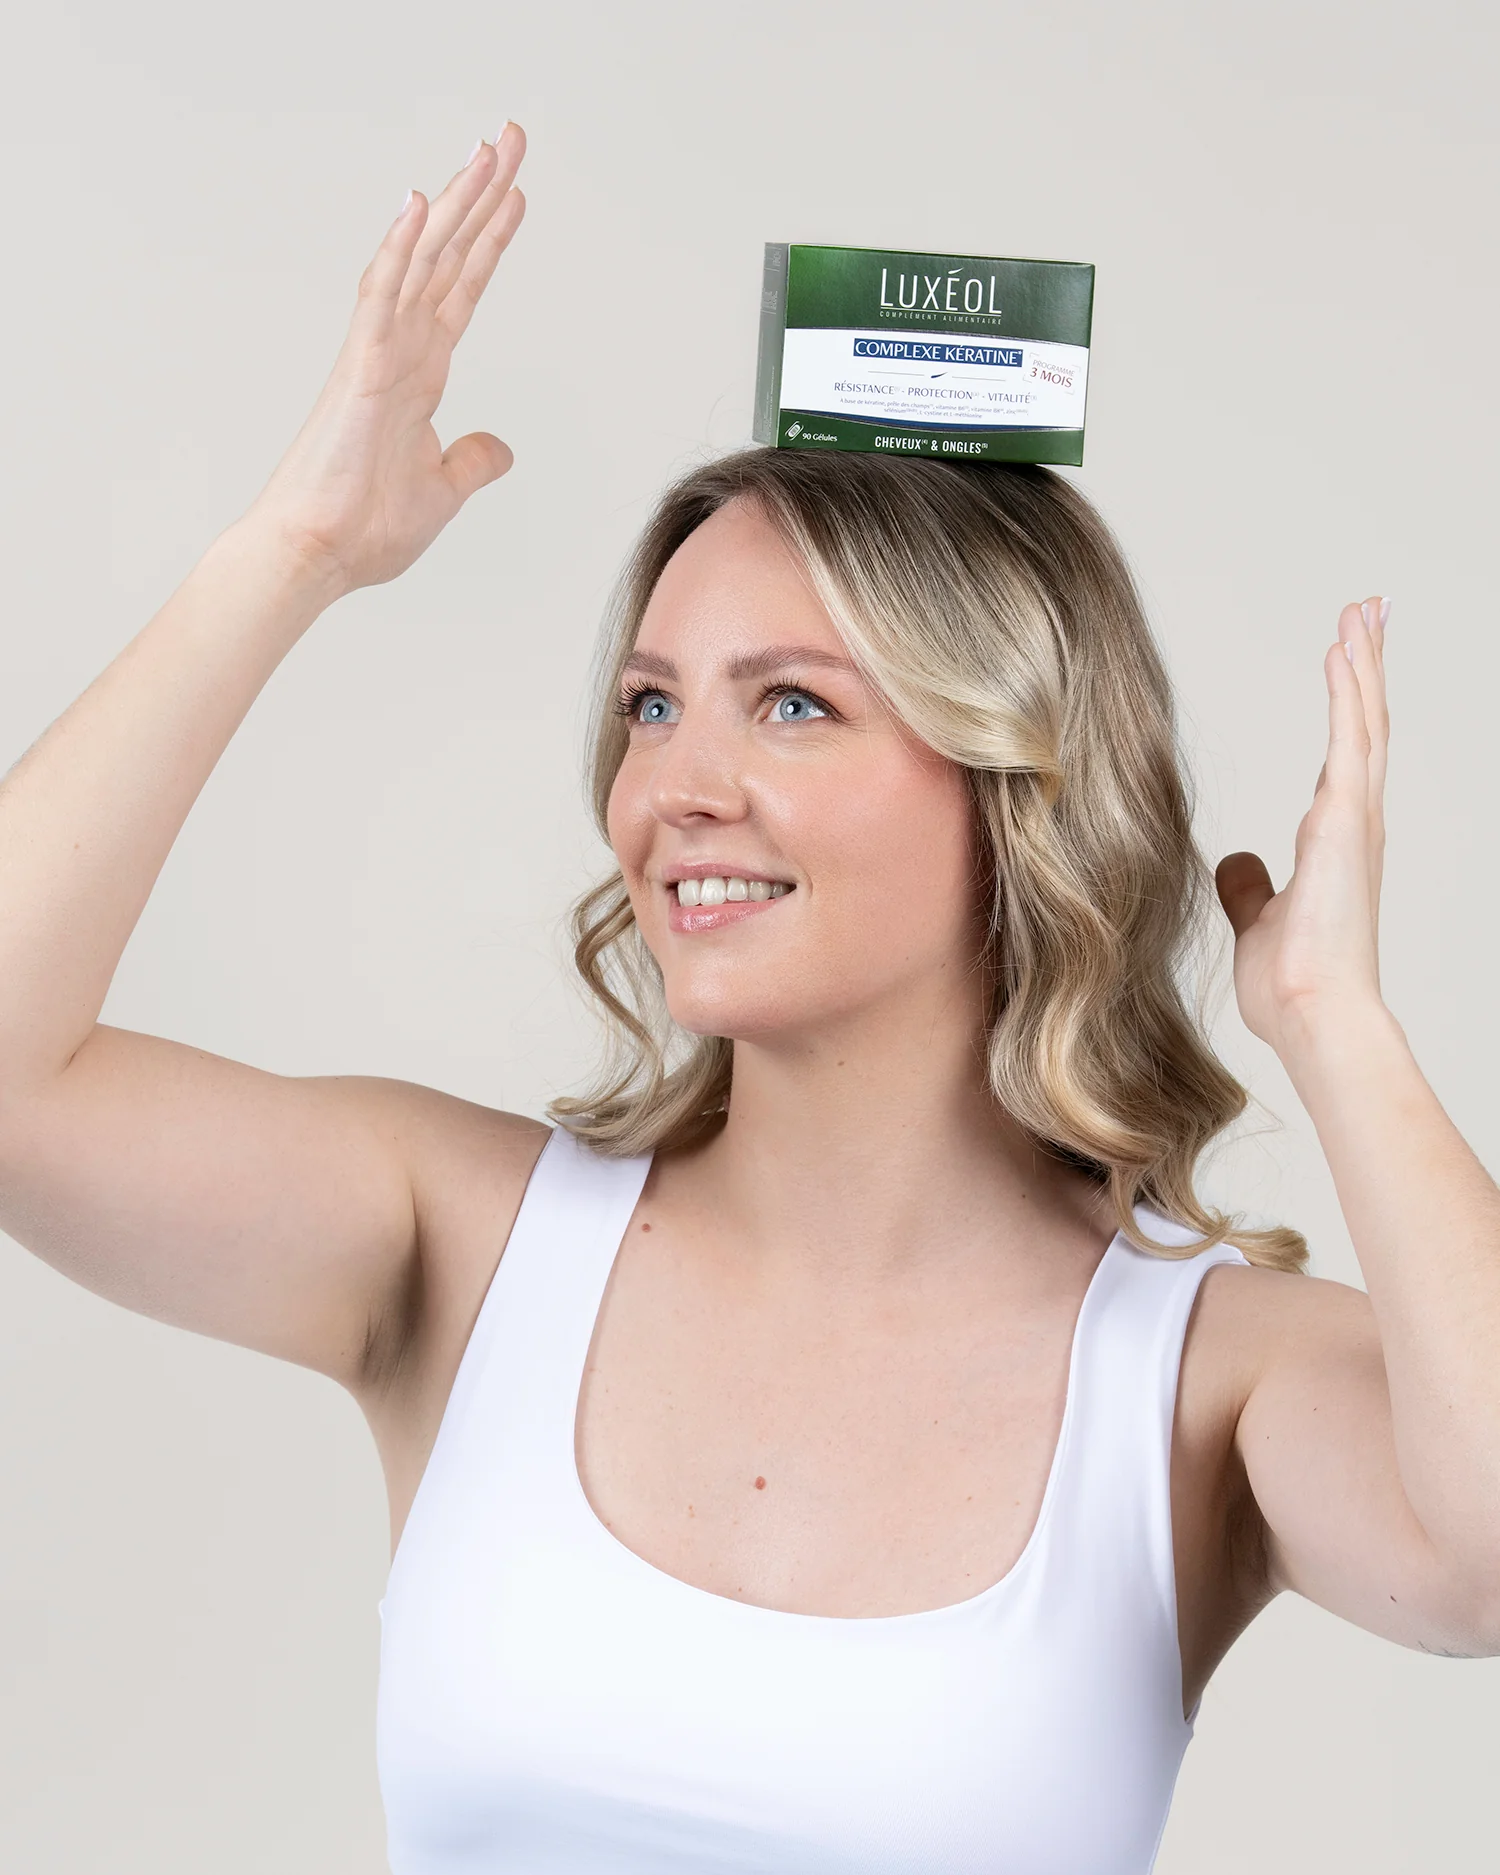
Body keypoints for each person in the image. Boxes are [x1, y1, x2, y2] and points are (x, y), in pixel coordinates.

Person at [0, 123, 1497, 1875]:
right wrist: (297, 546)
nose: (676, 788)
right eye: (651, 704)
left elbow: (1483, 1561)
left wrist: (1339, 1030)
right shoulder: (465, 1244)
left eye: (791, 704)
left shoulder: (1200, 1372)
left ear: (1011, 780)